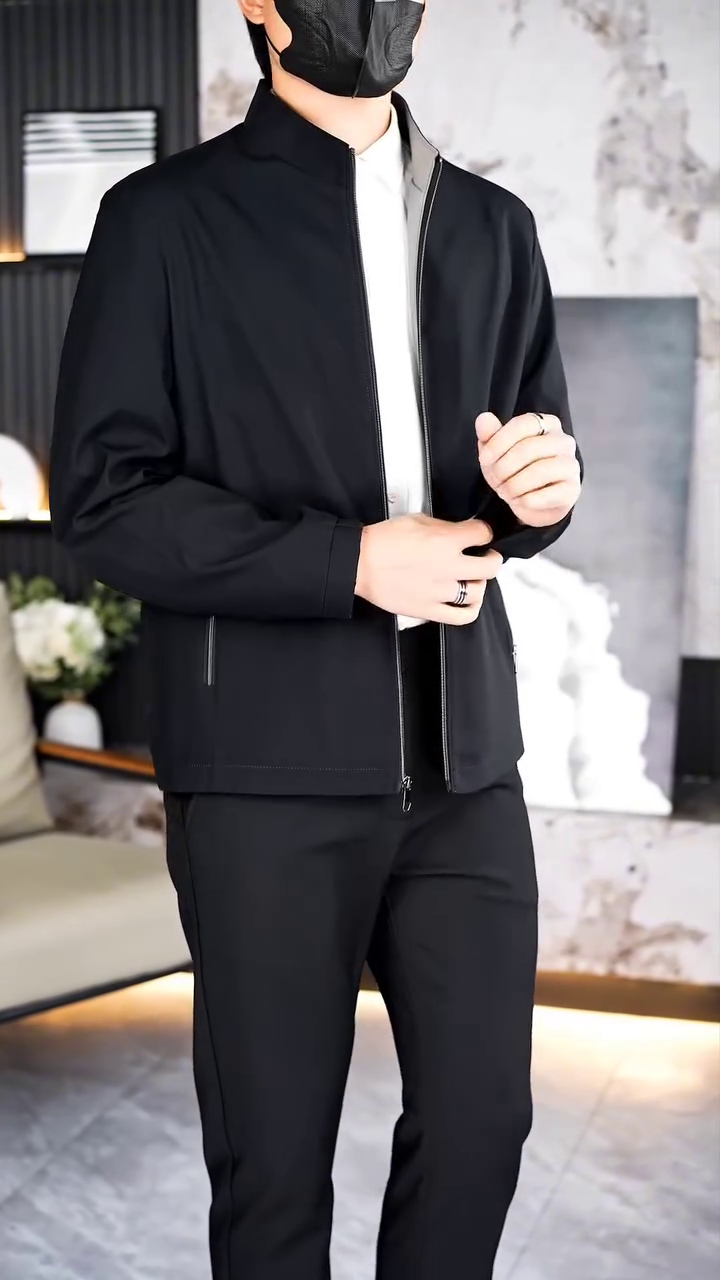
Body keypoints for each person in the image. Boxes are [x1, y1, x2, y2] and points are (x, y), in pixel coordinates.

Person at [49, 2, 583, 1276]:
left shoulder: (495, 227)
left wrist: (544, 493)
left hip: (465, 766)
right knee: (275, 1170)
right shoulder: (162, 220)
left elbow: (527, 478)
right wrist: (349, 561)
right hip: (261, 775)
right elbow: (106, 500)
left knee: (483, 1129)